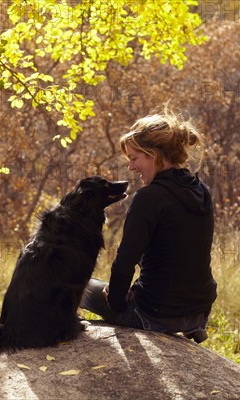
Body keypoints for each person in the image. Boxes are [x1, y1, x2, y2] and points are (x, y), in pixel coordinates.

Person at [80, 107, 217, 343]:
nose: (131, 167)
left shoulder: (149, 198)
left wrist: (115, 300)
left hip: (155, 314)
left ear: (152, 155)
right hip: (199, 310)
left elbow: (124, 262)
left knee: (78, 286)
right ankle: (192, 325)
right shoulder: (200, 191)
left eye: (134, 159)